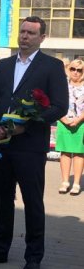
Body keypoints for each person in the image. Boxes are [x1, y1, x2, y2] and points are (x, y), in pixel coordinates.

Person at [0, 16, 69, 269]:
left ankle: (33, 257)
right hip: (1, 144)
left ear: (42, 37)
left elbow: (59, 107)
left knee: (32, 202)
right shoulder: (5, 65)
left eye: (31, 33)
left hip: (30, 146)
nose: (25, 36)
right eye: (22, 31)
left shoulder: (52, 67)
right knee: (3, 201)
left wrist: (27, 125)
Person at [56, 59, 84, 195]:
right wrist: (63, 119)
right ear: (69, 69)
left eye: (79, 70)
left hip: (81, 123)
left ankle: (77, 183)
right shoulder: (62, 85)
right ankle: (65, 181)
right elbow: (56, 103)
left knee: (79, 153)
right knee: (65, 152)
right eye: (73, 69)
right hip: (63, 121)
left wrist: (79, 119)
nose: (76, 72)